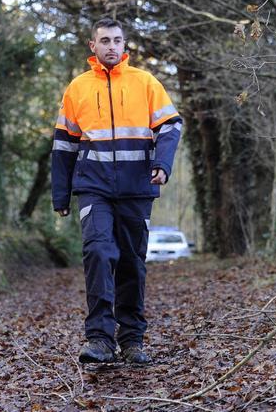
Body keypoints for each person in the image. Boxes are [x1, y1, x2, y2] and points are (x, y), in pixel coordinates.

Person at [51, 18, 183, 364]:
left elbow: (171, 124)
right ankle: (99, 339)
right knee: (98, 252)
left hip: (137, 187)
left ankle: (132, 340)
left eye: (117, 40)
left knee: (131, 262)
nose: (112, 46)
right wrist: (60, 195)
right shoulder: (77, 88)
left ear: (125, 46)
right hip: (93, 187)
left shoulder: (146, 82)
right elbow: (63, 144)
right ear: (92, 46)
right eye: (105, 40)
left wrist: (162, 163)